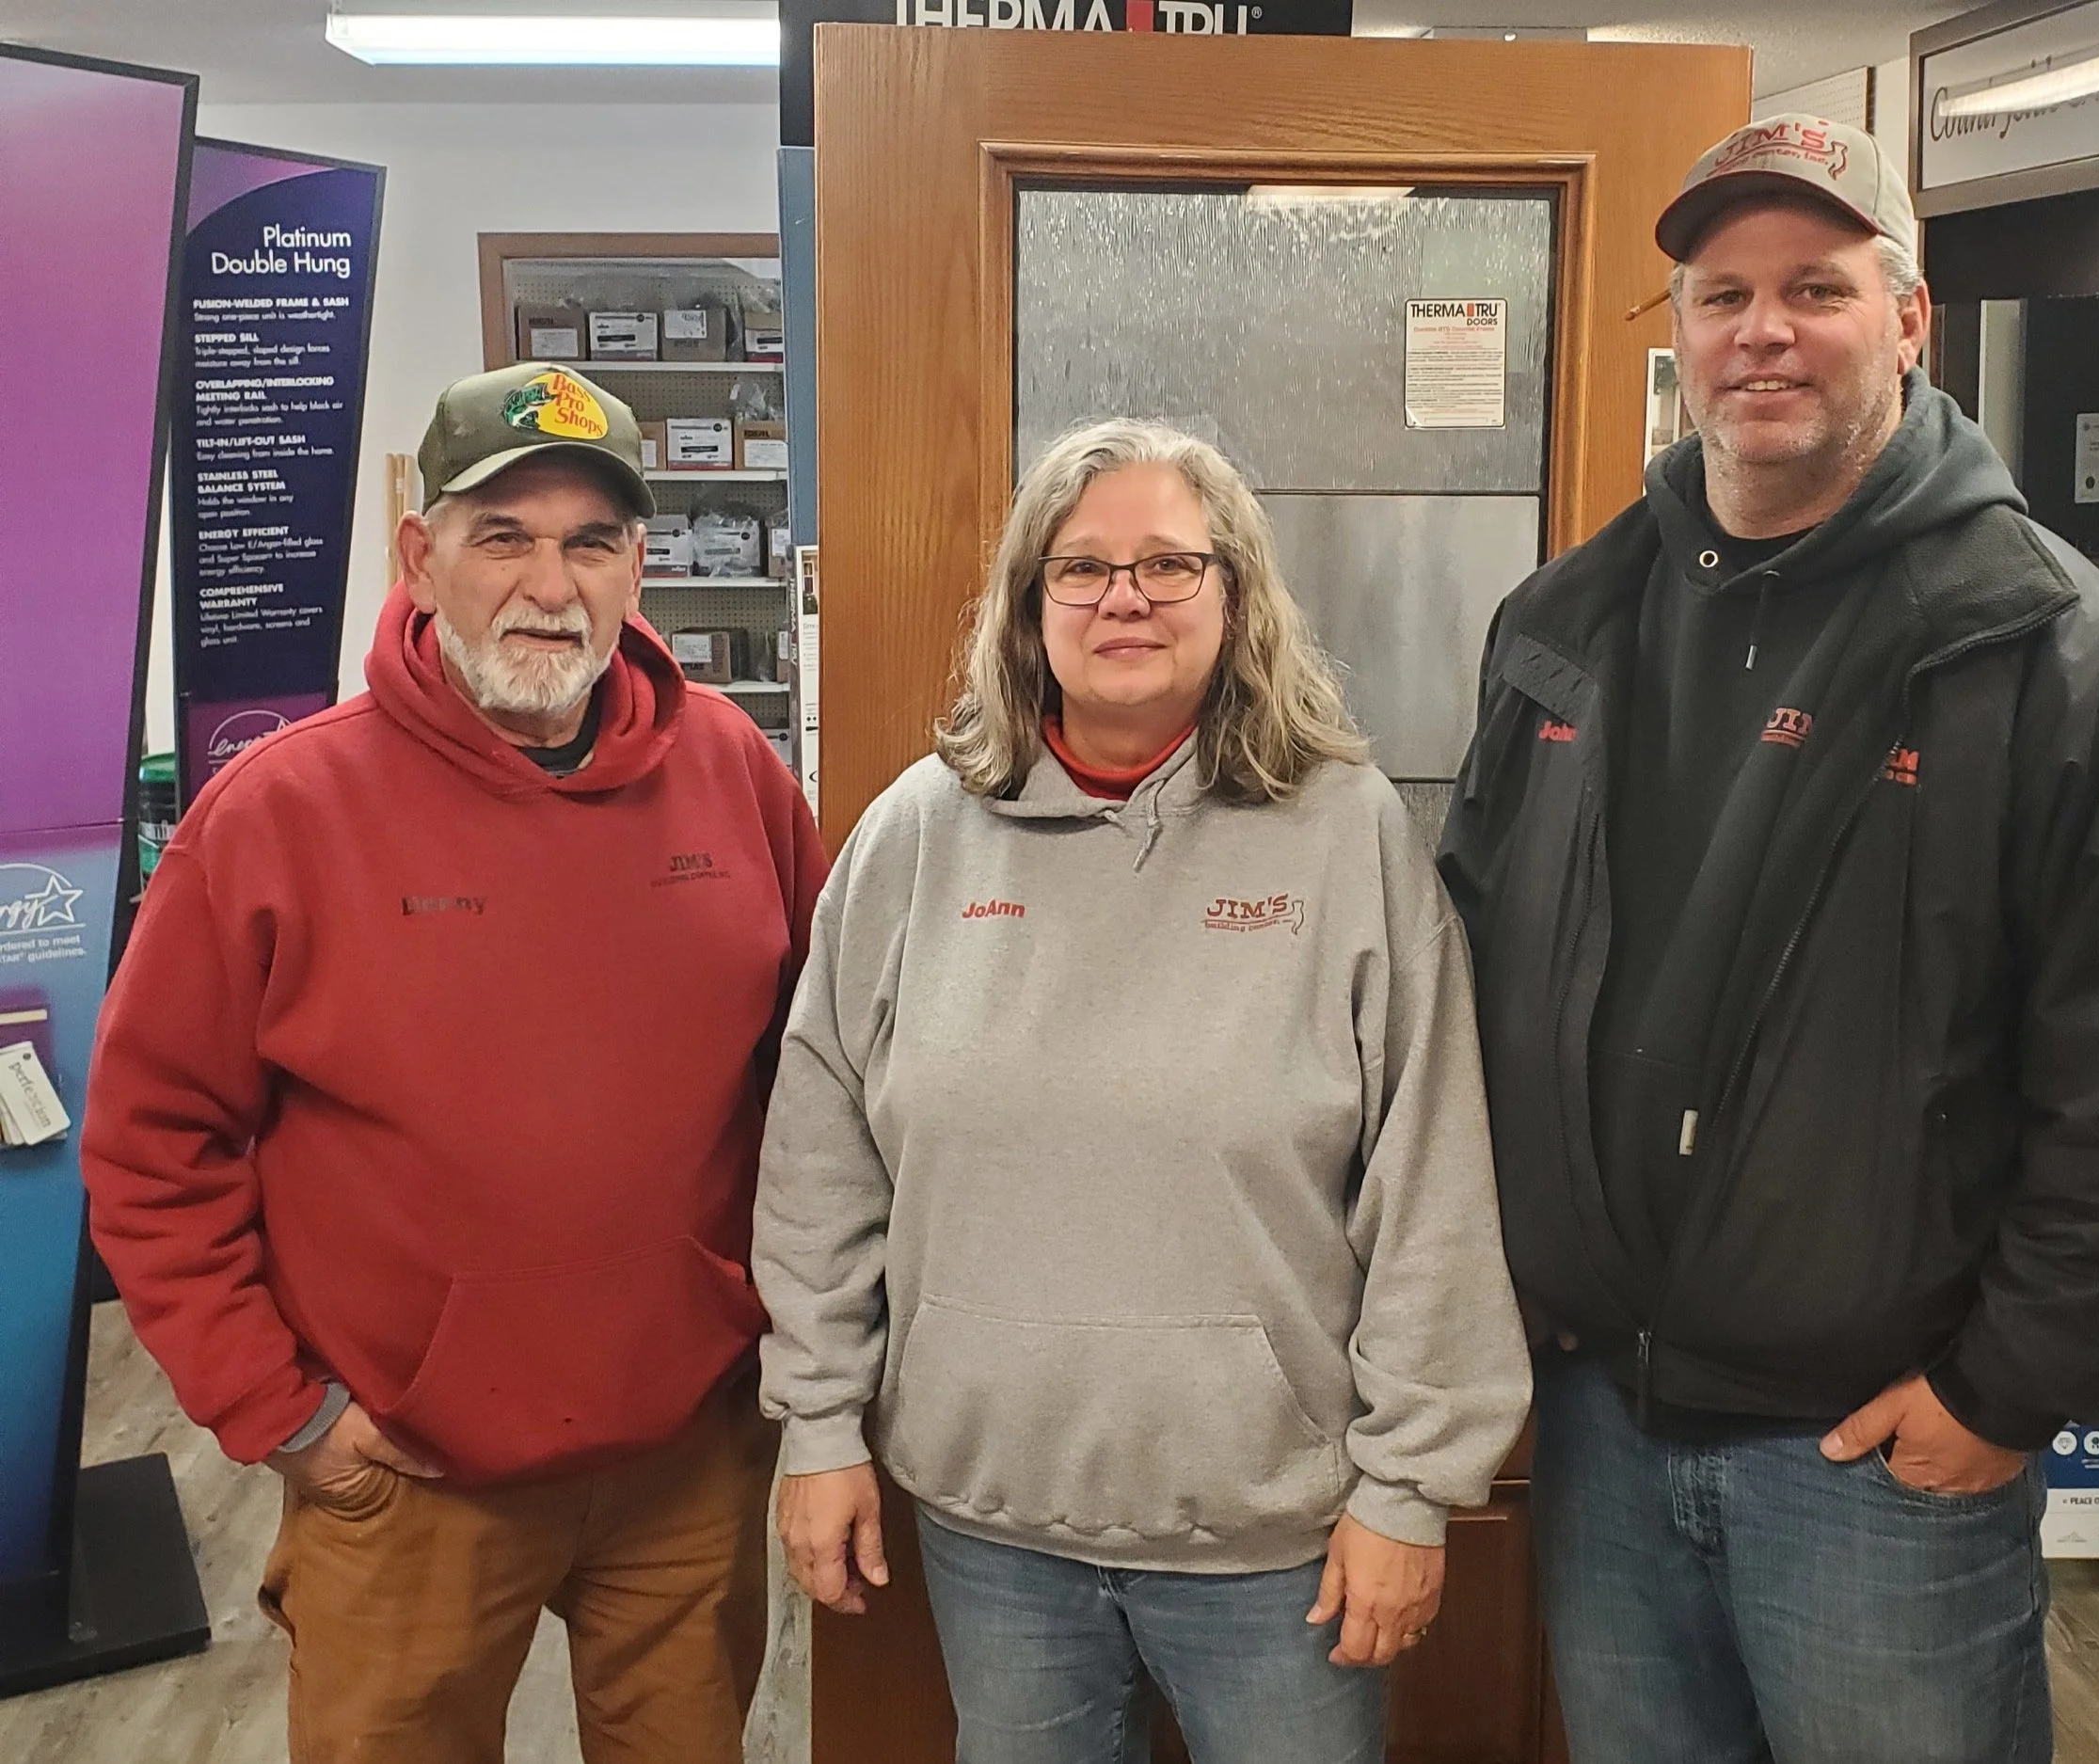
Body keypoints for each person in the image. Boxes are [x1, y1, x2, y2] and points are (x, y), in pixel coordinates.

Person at [1438, 116, 2099, 1764]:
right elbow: (1462, 968)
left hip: (1875, 1463)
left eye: (1816, 287)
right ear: (1679, 331)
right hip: (1603, 1423)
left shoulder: (2045, 648)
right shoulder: (1568, 620)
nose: (1765, 331)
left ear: (1909, 319)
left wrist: (2000, 1393)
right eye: (1723, 294)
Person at [754, 418, 1530, 1764]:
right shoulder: (915, 837)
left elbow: (1433, 1184)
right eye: (1083, 567)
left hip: (1280, 1543)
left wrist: (1410, 1485)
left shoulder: (1346, 836)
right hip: (994, 1534)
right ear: (1027, 604)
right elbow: (820, 1154)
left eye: (1170, 564)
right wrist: (817, 1421)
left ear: (1235, 597)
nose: (1126, 597)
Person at [82, 362, 827, 1764]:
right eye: (505, 537)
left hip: (685, 1457)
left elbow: (825, 1076)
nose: (550, 585)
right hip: (404, 1479)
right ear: (421, 556)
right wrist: (282, 1411)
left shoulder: (733, 771)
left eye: (590, 542)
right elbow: (149, 1141)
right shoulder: (279, 812)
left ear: (638, 568)